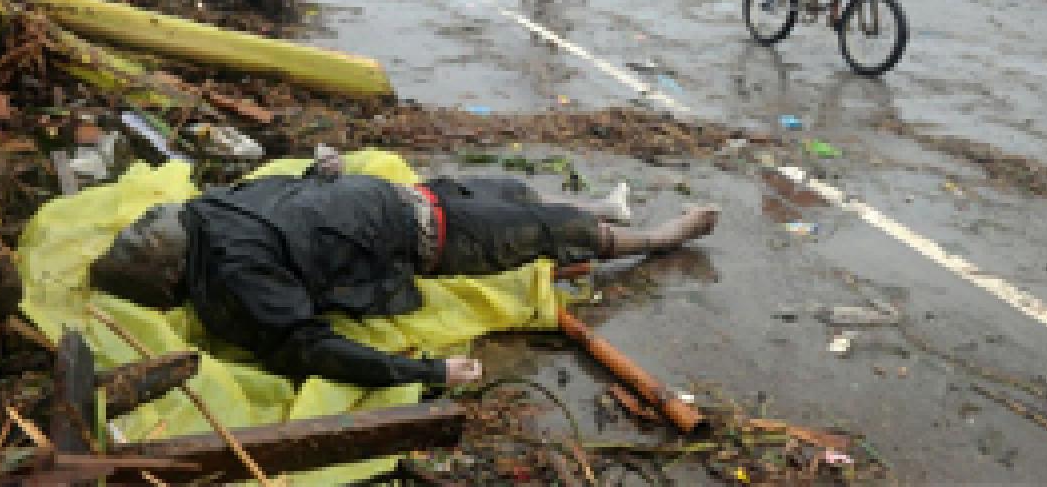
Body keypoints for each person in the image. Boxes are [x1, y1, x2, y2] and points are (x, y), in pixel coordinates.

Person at [89, 147, 719, 389]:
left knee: (516, 193)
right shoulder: (236, 276)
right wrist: (428, 371)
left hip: (413, 197)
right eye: (140, 243)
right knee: (561, 234)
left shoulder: (206, 212)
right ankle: (655, 239)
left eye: (136, 228)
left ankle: (600, 211)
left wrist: (320, 173)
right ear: (168, 277)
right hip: (433, 236)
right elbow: (309, 347)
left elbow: (281, 194)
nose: (144, 225)